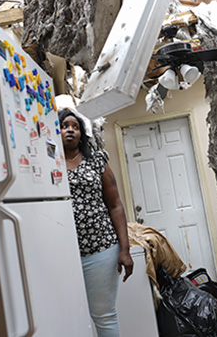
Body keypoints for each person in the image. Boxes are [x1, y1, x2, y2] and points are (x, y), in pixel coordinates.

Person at [58, 108, 133, 337]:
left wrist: (125, 249)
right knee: (66, 316)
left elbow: (116, 205)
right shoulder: (46, 163)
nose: (70, 130)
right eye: (64, 125)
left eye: (75, 126)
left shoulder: (97, 161)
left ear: (82, 134)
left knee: (104, 315)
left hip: (100, 249)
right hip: (61, 254)